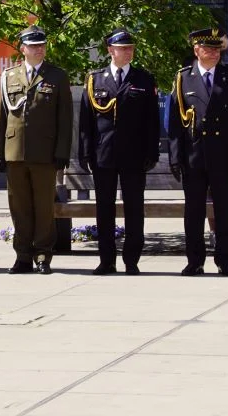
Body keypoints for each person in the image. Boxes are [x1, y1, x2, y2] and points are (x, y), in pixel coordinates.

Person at [78, 28, 160, 276]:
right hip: (104, 154)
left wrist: (151, 152)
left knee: (134, 208)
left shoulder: (143, 79)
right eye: (123, 48)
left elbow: (152, 121)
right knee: (104, 209)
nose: (128, 52)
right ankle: (107, 260)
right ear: (110, 50)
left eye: (130, 48)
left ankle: (132, 260)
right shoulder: (95, 80)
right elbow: (86, 122)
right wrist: (85, 152)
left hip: (134, 155)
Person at [168, 27, 228, 277]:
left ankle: (224, 259)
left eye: (217, 49)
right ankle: (195, 260)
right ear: (196, 50)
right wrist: (175, 157)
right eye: (208, 49)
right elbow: (175, 123)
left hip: (223, 156)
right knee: (194, 212)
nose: (214, 53)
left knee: (225, 211)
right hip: (193, 156)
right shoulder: (184, 78)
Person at [0, 27, 72, 275]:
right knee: (19, 207)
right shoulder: (9, 76)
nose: (39, 49)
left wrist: (62, 151)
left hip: (45, 153)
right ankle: (23, 257)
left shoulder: (57, 76)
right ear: (23, 48)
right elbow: (2, 116)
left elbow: (65, 118)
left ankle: (43, 256)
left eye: (42, 45)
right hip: (15, 152)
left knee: (44, 208)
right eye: (34, 46)